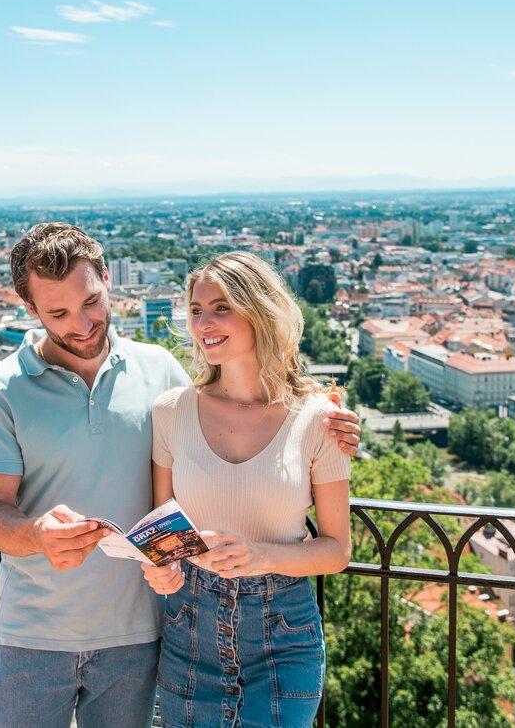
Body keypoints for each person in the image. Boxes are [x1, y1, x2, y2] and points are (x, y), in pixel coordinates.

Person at [0, 224, 360, 728]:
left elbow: (237, 408)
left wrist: (335, 427)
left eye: (90, 302)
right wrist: (37, 534)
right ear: (31, 311)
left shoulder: (161, 374)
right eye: (59, 314)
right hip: (35, 635)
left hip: (142, 634)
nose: (83, 324)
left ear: (108, 279)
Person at [141, 251, 352, 728]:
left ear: (258, 311)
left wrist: (262, 557)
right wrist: (161, 571)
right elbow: (162, 536)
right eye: (196, 310)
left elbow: (337, 550)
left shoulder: (320, 418)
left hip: (283, 635)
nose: (204, 323)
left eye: (221, 307)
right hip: (188, 629)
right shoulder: (170, 412)